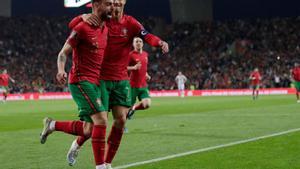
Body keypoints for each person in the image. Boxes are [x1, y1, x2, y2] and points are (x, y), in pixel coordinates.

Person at [68, 0, 169, 168]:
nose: (114, 6)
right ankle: (77, 144)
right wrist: (83, 16)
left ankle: (106, 163)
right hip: (100, 79)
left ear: (123, 3)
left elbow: (147, 35)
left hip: (121, 79)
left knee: (121, 120)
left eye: (118, 3)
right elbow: (72, 25)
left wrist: (160, 43)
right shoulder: (101, 20)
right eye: (112, 3)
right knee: (92, 126)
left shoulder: (131, 23)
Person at [39, 1, 113, 169]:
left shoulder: (105, 29)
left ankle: (52, 125)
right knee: (101, 119)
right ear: (96, 5)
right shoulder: (82, 28)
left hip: (96, 83)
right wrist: (60, 69)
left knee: (88, 130)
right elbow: (63, 52)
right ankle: (101, 166)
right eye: (108, 4)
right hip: (81, 80)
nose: (112, 8)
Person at [125, 37, 151, 127]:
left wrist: (146, 74)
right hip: (132, 86)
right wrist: (133, 68)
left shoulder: (145, 54)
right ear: (133, 44)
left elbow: (144, 67)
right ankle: (122, 127)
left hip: (143, 85)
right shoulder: (130, 55)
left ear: (143, 44)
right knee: (126, 108)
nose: (138, 43)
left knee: (147, 104)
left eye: (140, 41)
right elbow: (123, 67)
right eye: (136, 41)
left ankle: (134, 108)